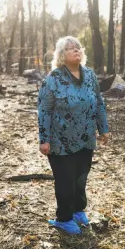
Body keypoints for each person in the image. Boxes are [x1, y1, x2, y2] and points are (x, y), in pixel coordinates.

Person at [37, 36, 110, 234]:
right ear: (61, 55)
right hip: (60, 139)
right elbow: (44, 110)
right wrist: (44, 139)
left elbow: (99, 102)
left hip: (86, 137)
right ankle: (64, 218)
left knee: (80, 176)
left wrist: (103, 128)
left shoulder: (90, 75)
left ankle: (78, 210)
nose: (75, 50)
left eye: (77, 47)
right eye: (70, 48)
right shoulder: (53, 78)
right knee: (65, 179)